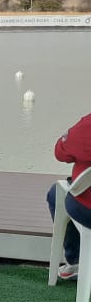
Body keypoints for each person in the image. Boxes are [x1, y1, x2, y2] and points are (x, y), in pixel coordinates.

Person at [47, 113, 91, 280]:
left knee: (55, 194)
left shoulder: (87, 126)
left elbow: (60, 152)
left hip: (87, 209)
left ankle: (75, 261)